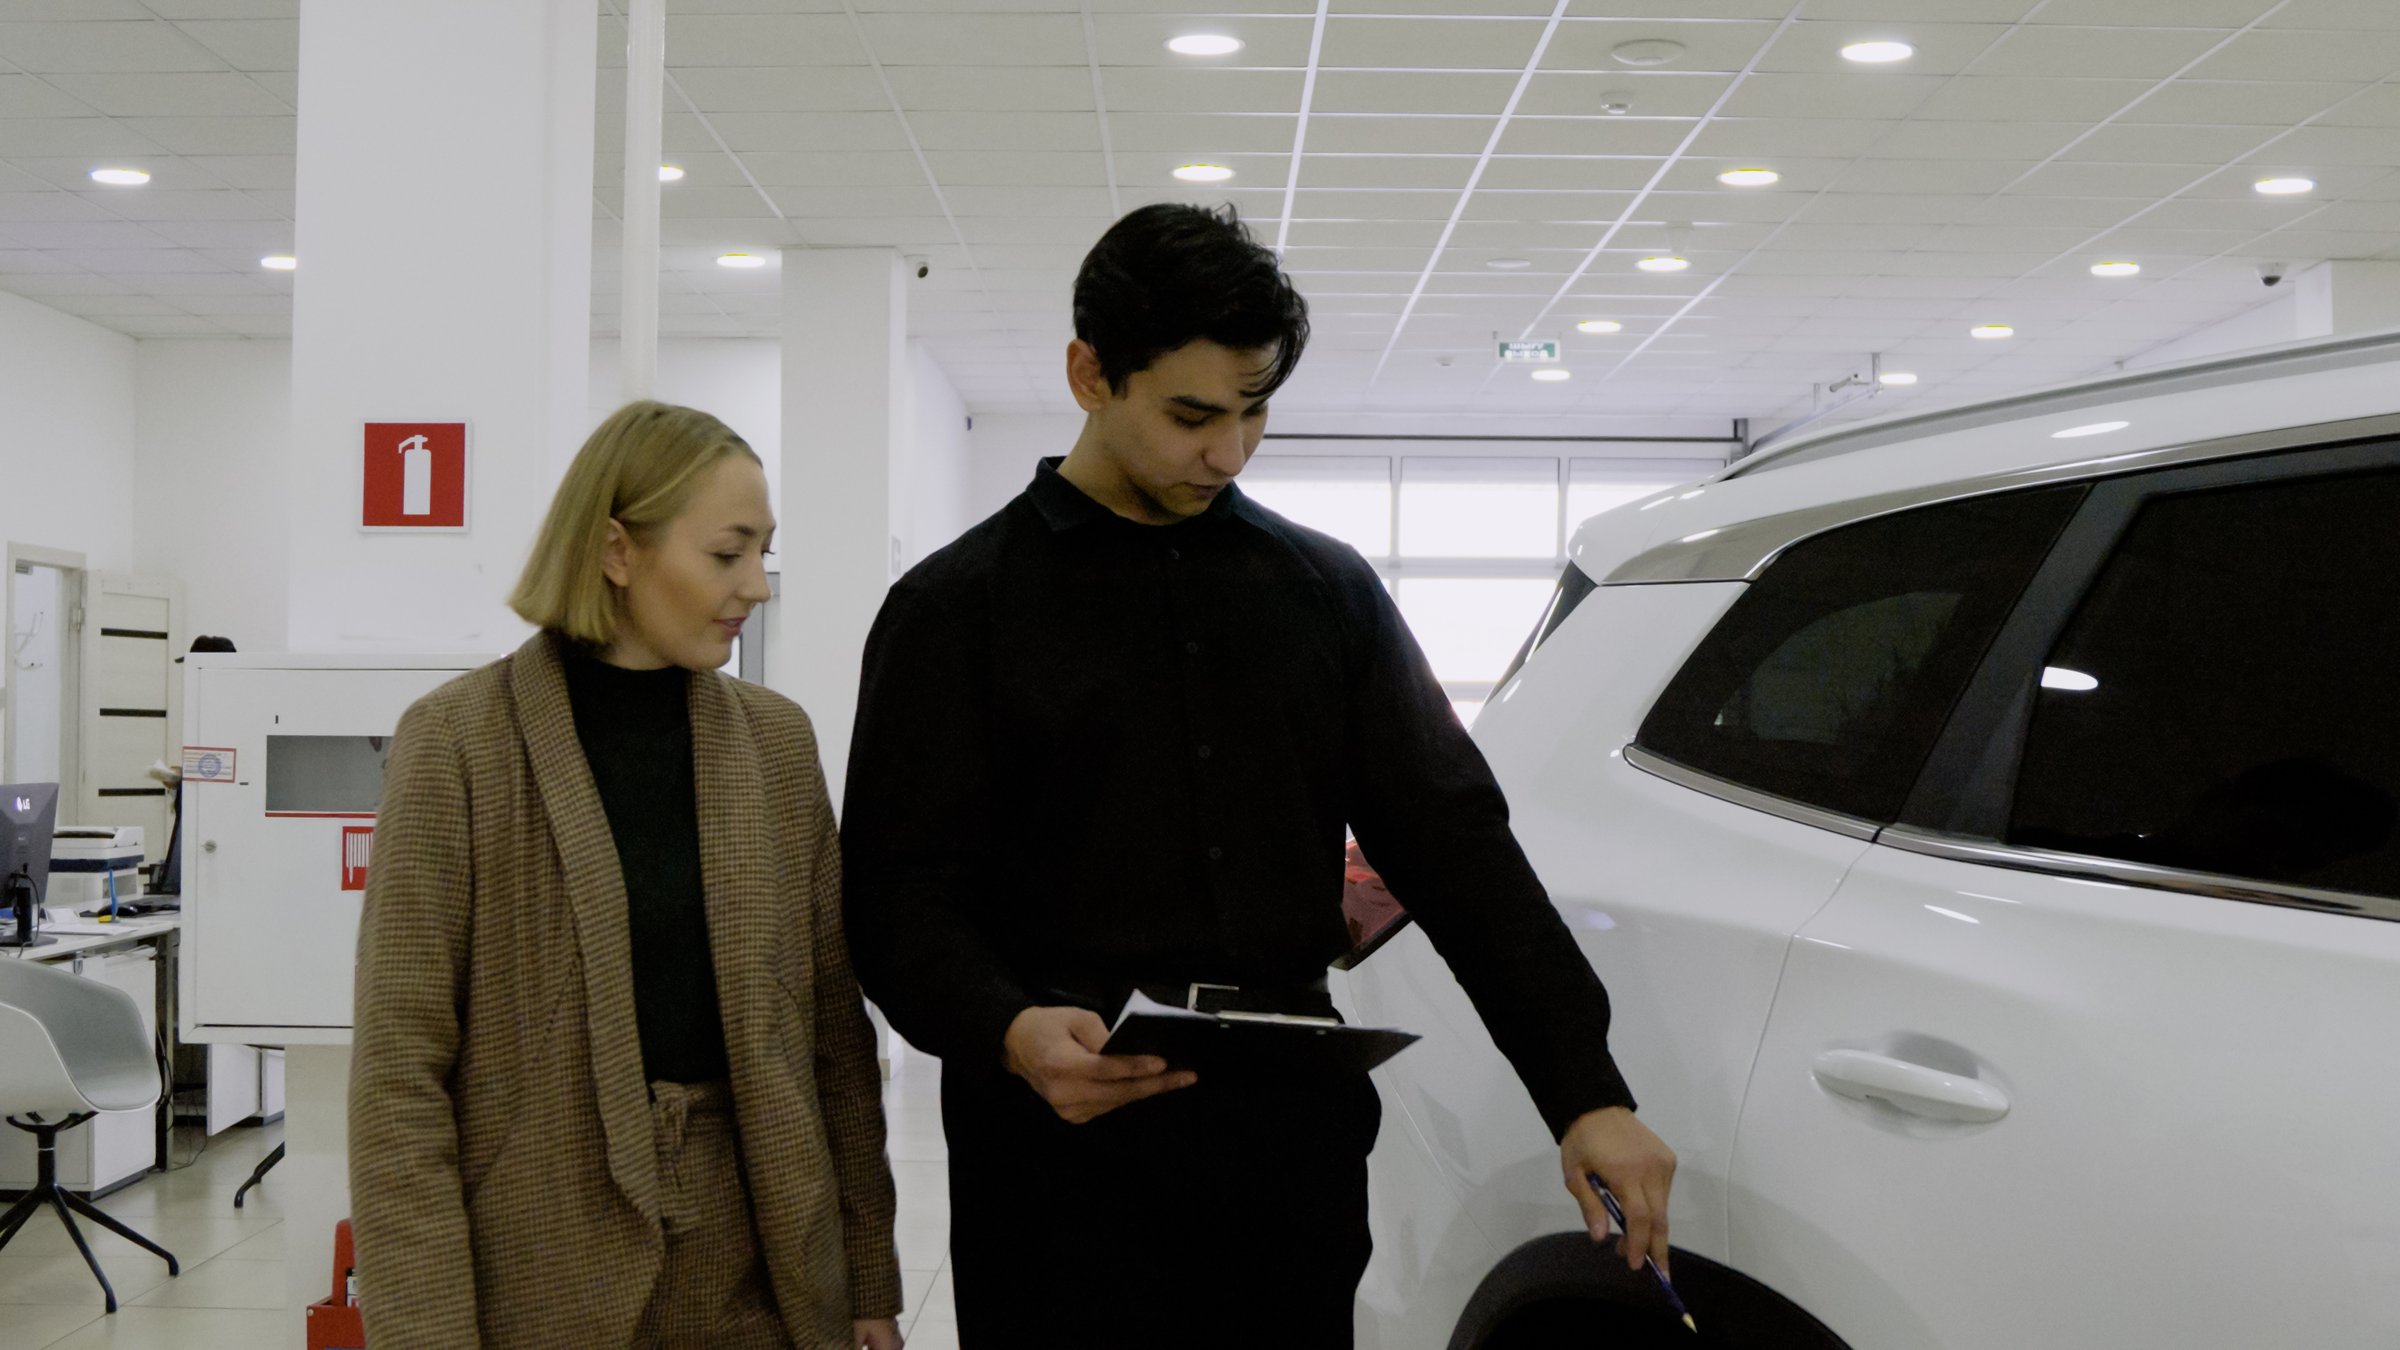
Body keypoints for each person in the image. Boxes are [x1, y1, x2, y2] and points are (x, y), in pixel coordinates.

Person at [842, 204, 1677, 1347]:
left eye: (1254, 414)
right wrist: (1003, 1024)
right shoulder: (955, 610)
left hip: (1287, 1162)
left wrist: (1588, 1090)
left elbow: (1457, 850)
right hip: (1057, 1165)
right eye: (1191, 416)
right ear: (1090, 373)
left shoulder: (1324, 595)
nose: (1227, 453)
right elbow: (893, 895)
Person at [349, 401, 904, 1350]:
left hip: (761, 1266)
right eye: (728, 554)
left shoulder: (776, 743)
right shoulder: (456, 744)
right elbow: (401, 1078)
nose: (757, 586)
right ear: (616, 549)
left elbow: (834, 1044)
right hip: (540, 1276)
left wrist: (867, 1283)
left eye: (763, 552)